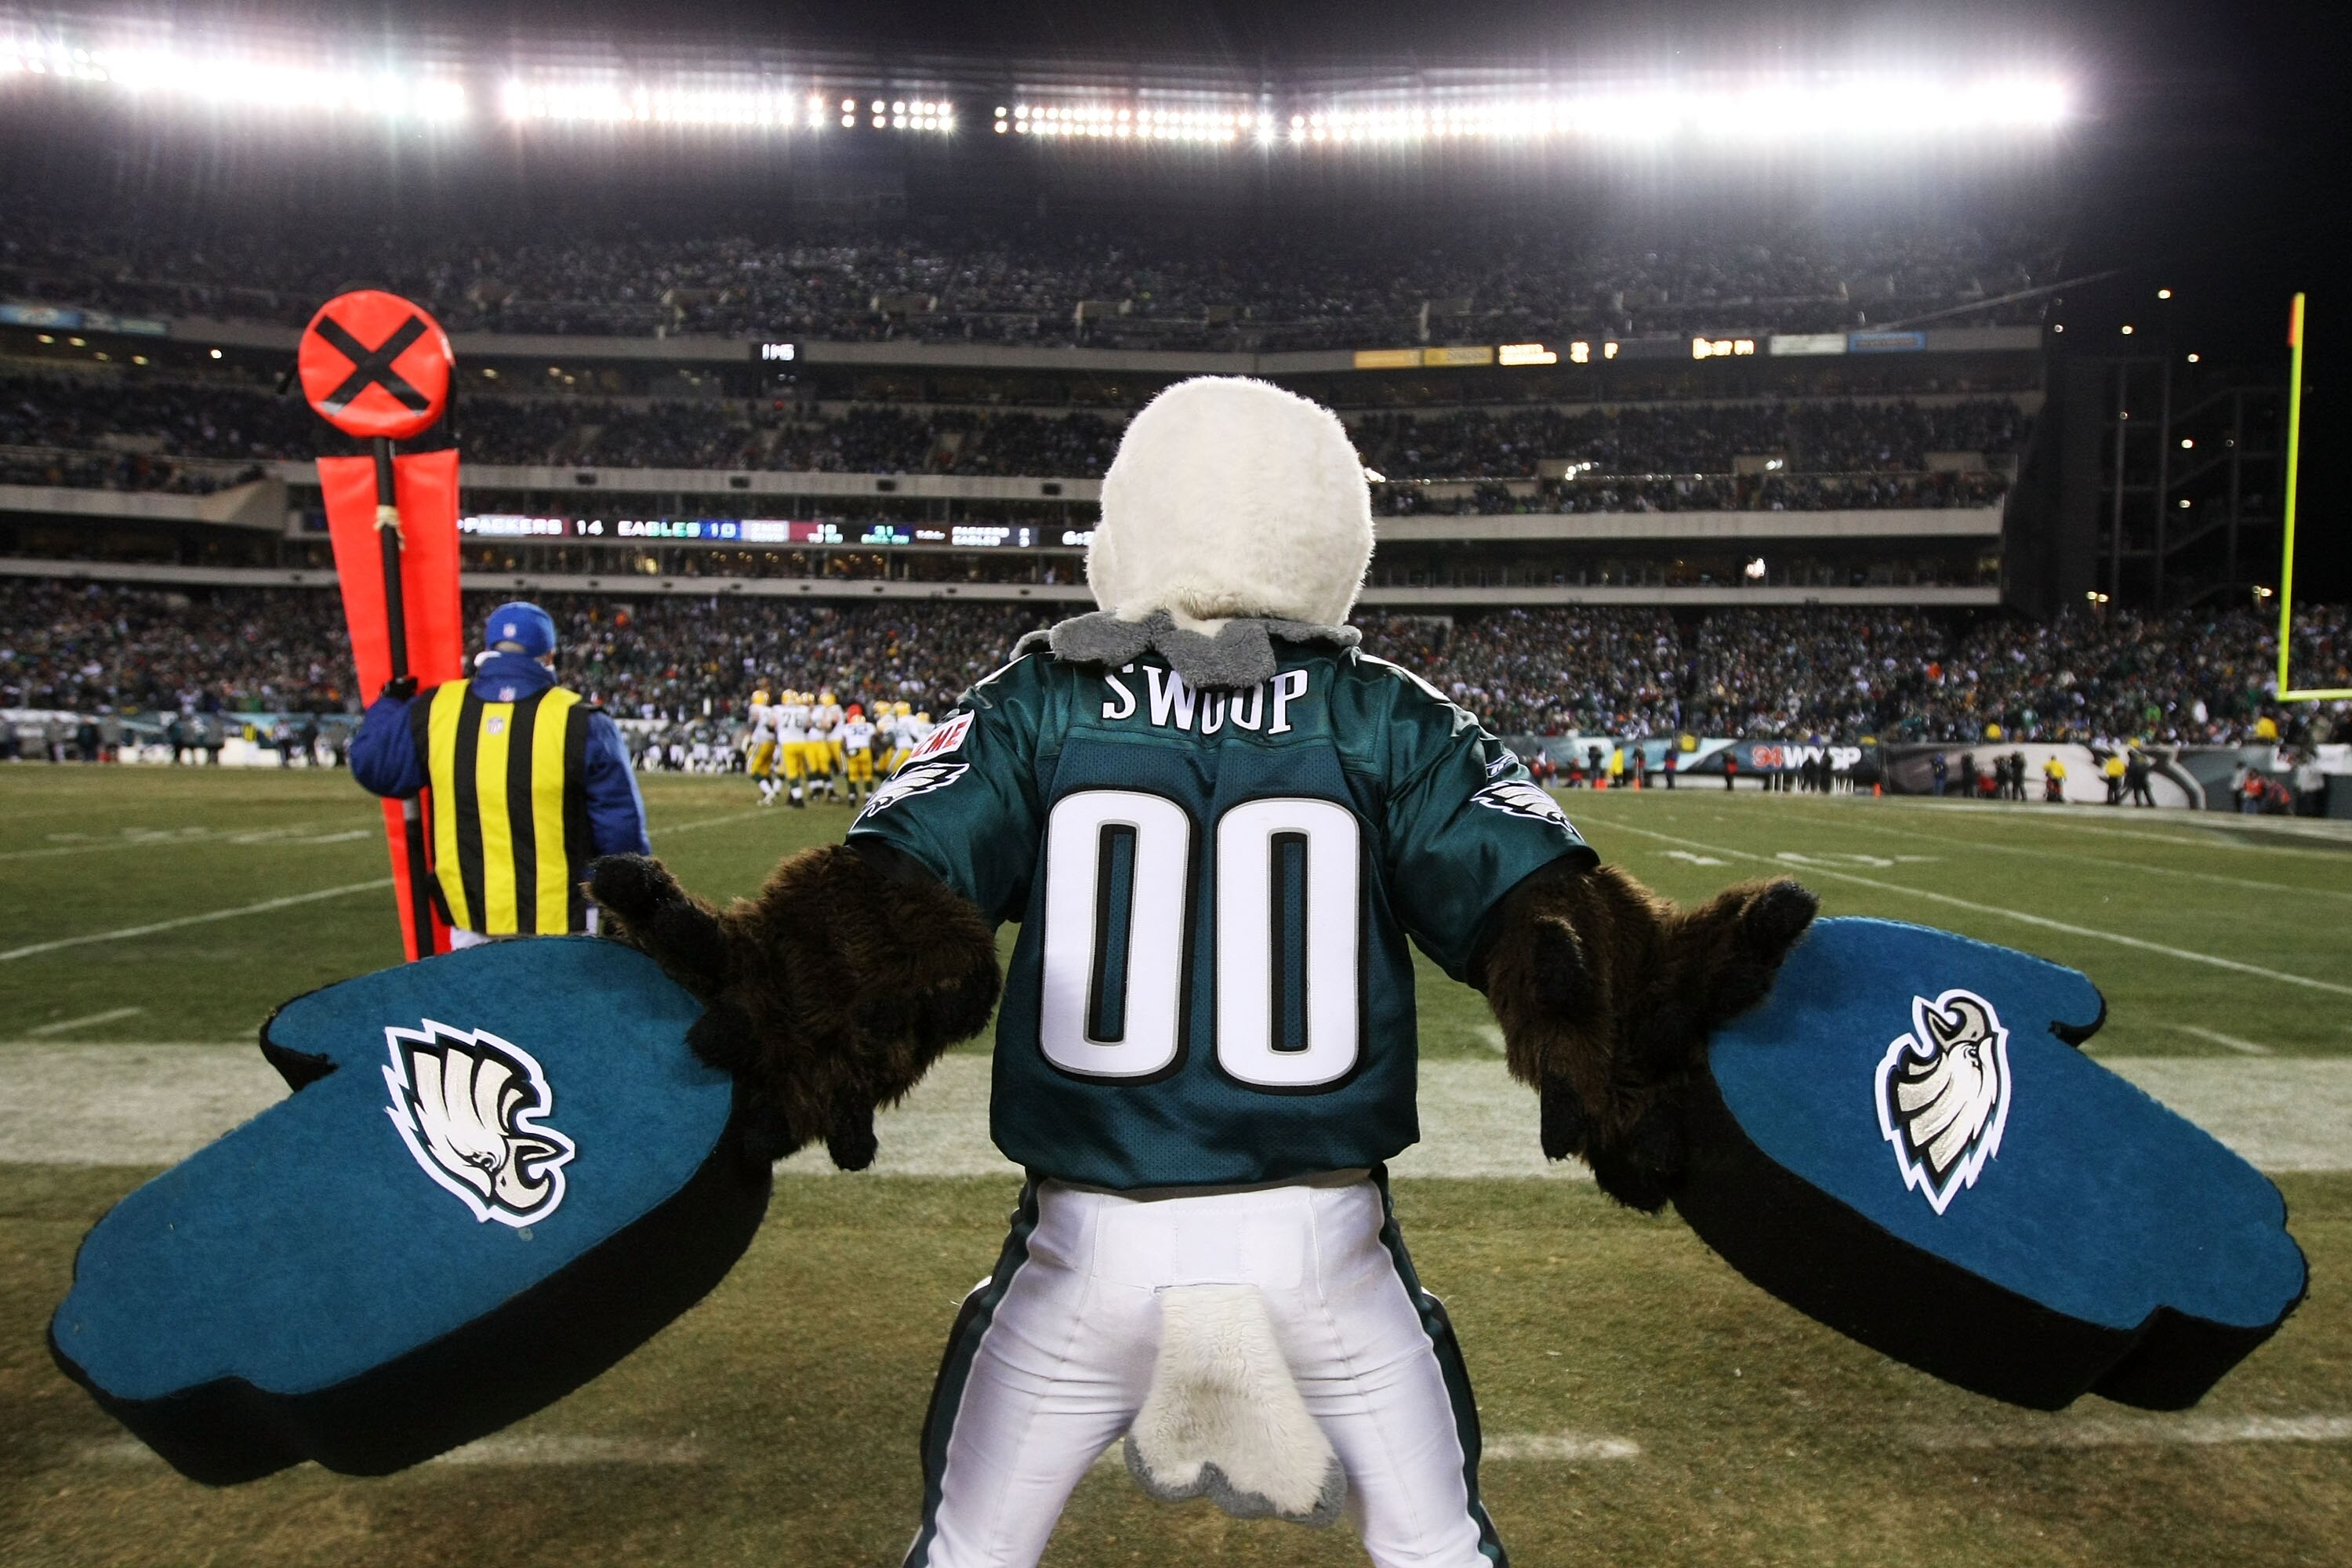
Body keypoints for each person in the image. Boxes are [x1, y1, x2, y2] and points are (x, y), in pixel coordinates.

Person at [349, 601, 650, 946]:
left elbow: (375, 767)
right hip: (559, 918)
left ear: (489, 651)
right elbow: (620, 832)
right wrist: (628, 906)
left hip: (471, 917)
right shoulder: (582, 720)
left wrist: (390, 704)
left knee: (478, 999)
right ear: (549, 656)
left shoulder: (437, 708)